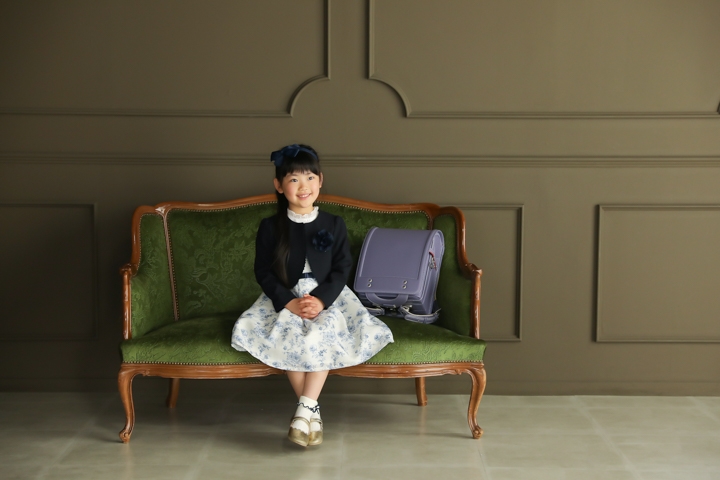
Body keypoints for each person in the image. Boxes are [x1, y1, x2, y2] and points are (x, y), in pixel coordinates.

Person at [231, 144, 394, 447]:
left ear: (320, 180)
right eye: (293, 179)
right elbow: (263, 272)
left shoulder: (334, 223)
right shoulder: (270, 227)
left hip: (329, 296)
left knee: (325, 330)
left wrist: (320, 300)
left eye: (309, 178)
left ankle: (303, 412)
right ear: (279, 185)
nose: (303, 186)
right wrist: (289, 302)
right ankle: (311, 414)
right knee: (289, 332)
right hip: (286, 296)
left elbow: (342, 268)